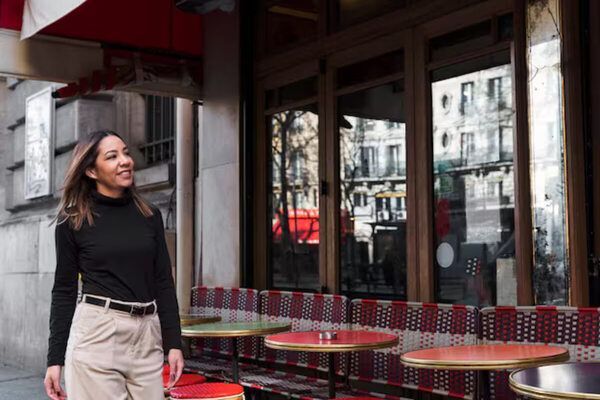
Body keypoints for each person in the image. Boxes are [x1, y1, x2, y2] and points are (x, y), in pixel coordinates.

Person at [43, 130, 184, 400]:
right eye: (112, 156)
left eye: (126, 152)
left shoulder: (149, 214)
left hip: (147, 336)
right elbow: (63, 291)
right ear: (92, 171)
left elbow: (164, 281)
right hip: (98, 335)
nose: (125, 160)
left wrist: (173, 343)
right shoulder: (73, 220)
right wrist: (54, 360)